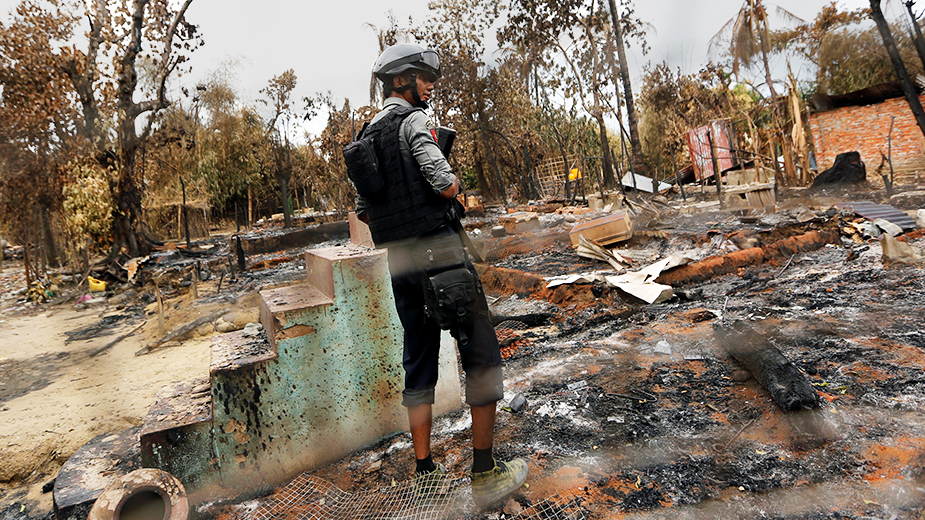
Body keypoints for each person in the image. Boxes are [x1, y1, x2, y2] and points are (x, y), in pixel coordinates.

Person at [351, 43, 527, 508]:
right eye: (423, 77)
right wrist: (455, 192)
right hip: (442, 255)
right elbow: (443, 181)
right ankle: (485, 471)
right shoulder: (413, 124)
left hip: (401, 263)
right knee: (482, 352)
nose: (429, 85)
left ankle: (425, 472)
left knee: (419, 356)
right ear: (400, 82)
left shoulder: (366, 135)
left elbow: (364, 211)